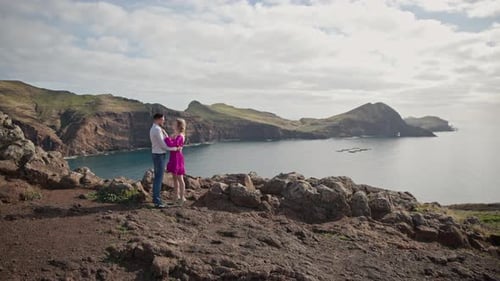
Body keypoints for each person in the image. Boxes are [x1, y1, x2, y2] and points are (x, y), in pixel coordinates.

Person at [149, 113, 181, 208]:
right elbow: (163, 146)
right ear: (158, 119)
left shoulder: (154, 128)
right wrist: (175, 149)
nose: (164, 121)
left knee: (157, 177)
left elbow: (164, 142)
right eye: (163, 119)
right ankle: (157, 201)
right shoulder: (157, 129)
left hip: (156, 154)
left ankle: (156, 199)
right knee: (159, 178)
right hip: (159, 155)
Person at [164, 118, 186, 205]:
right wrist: (169, 138)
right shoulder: (175, 135)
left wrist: (166, 138)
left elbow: (171, 144)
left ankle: (182, 198)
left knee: (180, 179)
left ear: (178, 125)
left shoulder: (180, 136)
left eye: (174, 123)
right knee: (174, 179)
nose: (172, 125)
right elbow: (172, 145)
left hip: (177, 158)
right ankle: (175, 197)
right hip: (173, 157)